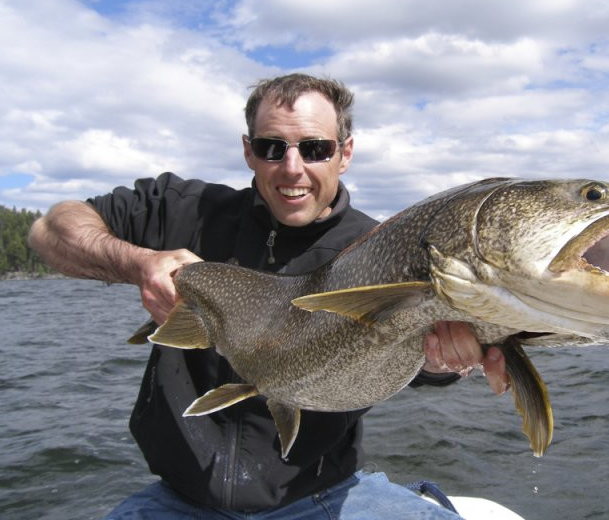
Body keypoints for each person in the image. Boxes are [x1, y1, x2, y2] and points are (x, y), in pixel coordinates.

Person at [29, 73, 509, 519]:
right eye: (271, 147)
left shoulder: (382, 247)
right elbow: (50, 230)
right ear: (248, 151)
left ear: (345, 153)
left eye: (316, 148)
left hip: (323, 496)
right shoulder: (187, 209)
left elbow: (419, 363)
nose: (292, 168)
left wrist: (443, 363)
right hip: (179, 500)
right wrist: (138, 264)